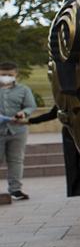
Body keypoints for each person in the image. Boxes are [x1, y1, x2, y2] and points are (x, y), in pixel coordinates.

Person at [0, 60, 36, 201]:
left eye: (10, 74)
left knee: (16, 160)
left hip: (18, 130)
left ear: (16, 74)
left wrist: (23, 113)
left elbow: (30, 106)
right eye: (3, 74)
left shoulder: (23, 89)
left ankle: (15, 190)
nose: (7, 77)